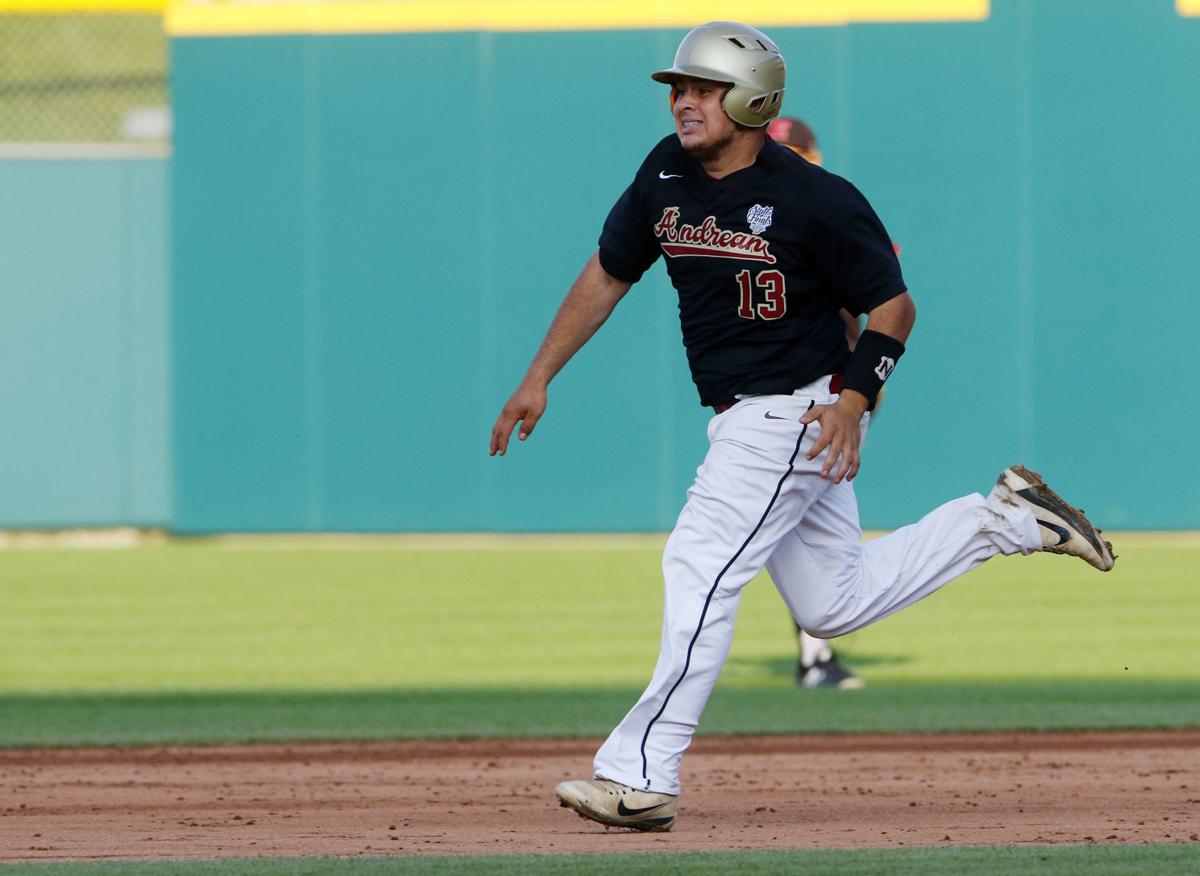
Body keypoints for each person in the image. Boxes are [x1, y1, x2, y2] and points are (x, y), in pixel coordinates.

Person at [489, 20, 1115, 833]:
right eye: (679, 87)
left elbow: (895, 308)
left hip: (793, 410)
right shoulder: (663, 174)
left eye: (703, 88)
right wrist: (539, 375)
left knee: (700, 562)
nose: (683, 100)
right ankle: (1004, 520)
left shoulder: (817, 199)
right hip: (750, 415)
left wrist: (853, 402)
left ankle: (640, 773)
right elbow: (608, 273)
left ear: (751, 98)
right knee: (832, 603)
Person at [766, 115, 865, 690]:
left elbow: (874, 312)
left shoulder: (831, 214)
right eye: (785, 153)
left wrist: (859, 401)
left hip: (840, 394)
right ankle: (816, 657)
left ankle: (816, 654)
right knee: (795, 526)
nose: (792, 162)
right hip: (803, 395)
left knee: (812, 529)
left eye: (799, 153)